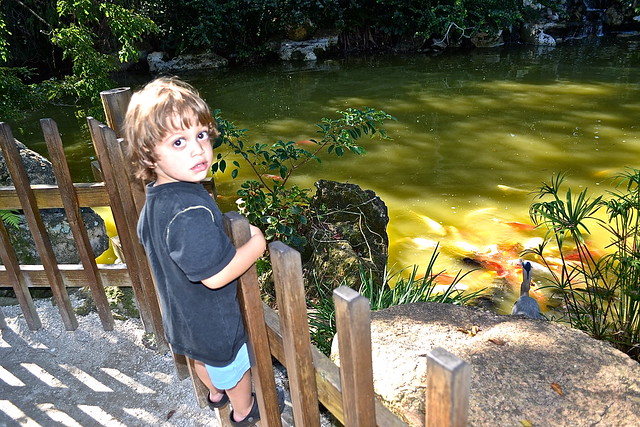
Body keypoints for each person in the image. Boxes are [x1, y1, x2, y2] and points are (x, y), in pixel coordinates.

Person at [123, 76, 267, 426]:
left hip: (181, 317)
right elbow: (216, 277)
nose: (197, 149)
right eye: (178, 141)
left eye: (201, 135)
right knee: (233, 368)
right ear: (149, 155)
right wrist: (257, 245)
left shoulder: (156, 201)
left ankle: (214, 394)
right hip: (212, 322)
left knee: (201, 360)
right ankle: (243, 411)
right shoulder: (190, 211)